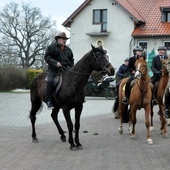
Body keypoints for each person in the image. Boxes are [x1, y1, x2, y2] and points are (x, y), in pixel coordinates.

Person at [44, 32, 74, 109]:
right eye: (63, 39)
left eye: (65, 39)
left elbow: (71, 60)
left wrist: (72, 68)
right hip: (54, 69)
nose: (65, 41)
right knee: (50, 81)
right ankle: (48, 101)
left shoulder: (68, 50)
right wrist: (55, 63)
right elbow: (47, 57)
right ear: (58, 39)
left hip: (66, 69)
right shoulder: (51, 47)